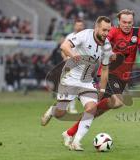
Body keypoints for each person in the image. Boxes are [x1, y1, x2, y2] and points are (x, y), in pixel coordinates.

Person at [63, 9, 140, 146]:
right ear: (119, 22)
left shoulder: (138, 32)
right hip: (109, 73)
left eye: (130, 22)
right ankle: (73, 132)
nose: (127, 25)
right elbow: (101, 43)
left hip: (122, 78)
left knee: (100, 109)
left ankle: (70, 132)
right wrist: (110, 53)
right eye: (124, 22)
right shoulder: (113, 32)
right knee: (117, 102)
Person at [41, 16, 112, 151]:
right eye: (104, 30)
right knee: (60, 113)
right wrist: (76, 58)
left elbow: (105, 69)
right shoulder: (85, 35)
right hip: (70, 78)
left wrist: (102, 90)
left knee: (92, 108)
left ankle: (76, 141)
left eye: (108, 31)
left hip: (87, 81)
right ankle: (53, 110)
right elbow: (64, 46)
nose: (106, 34)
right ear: (96, 27)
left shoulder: (107, 46)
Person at [62, 19, 85, 113]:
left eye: (81, 25)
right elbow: (63, 49)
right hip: (71, 64)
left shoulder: (85, 36)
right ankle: (67, 105)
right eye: (78, 25)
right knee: (69, 84)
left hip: (82, 65)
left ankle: (71, 106)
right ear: (74, 26)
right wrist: (65, 57)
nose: (79, 27)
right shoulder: (70, 36)